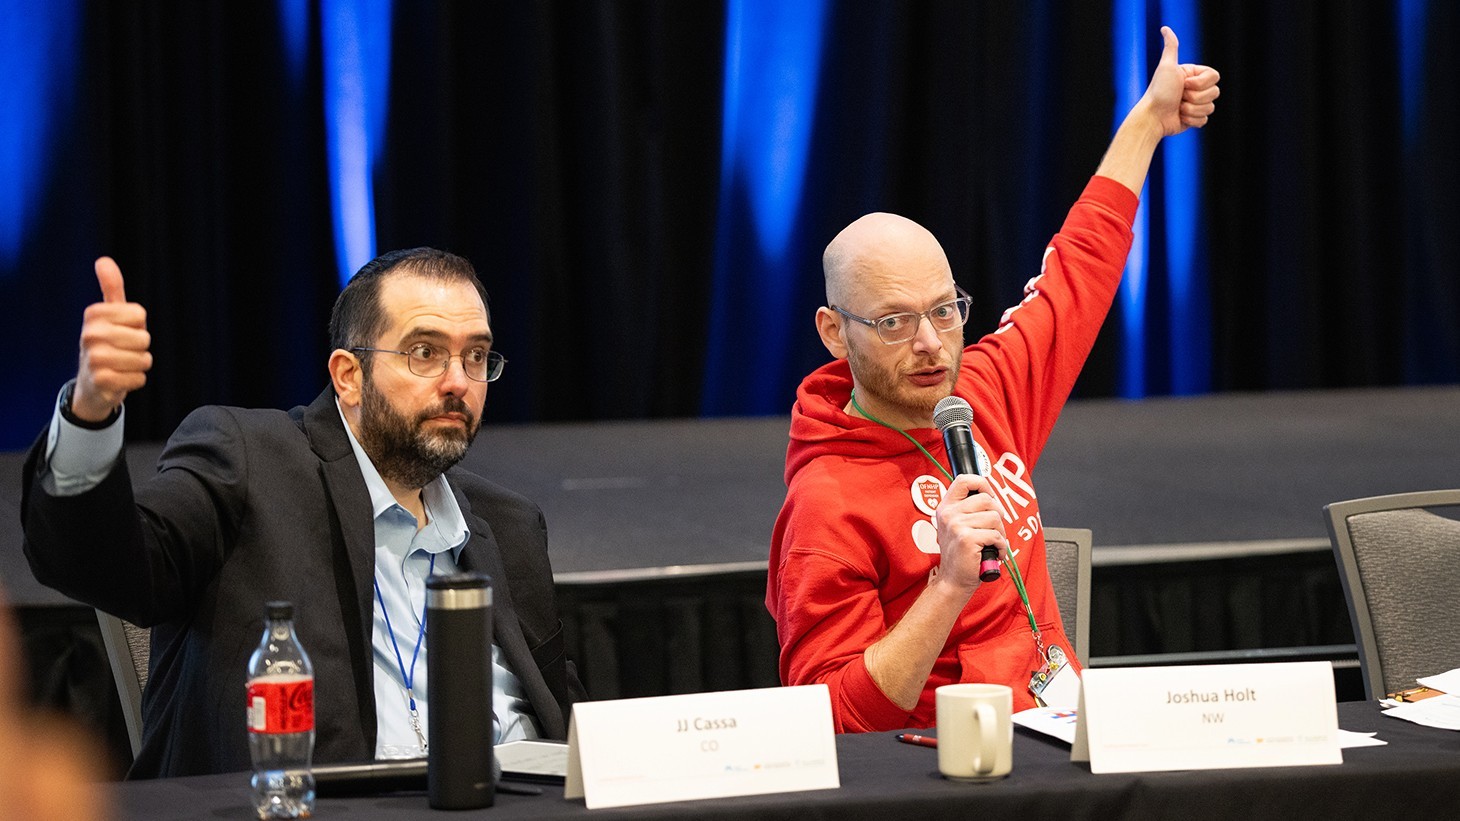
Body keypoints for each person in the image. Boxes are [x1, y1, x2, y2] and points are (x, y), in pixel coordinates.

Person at [767, 27, 1220, 732]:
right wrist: (947, 584)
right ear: (834, 331)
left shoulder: (983, 390)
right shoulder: (825, 506)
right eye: (894, 322)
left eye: (945, 311)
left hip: (1061, 736)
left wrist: (1147, 124)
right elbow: (831, 719)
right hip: (938, 769)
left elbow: (1080, 268)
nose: (930, 344)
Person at [21, 247, 586, 777]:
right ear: (348, 376)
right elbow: (100, 564)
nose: (459, 382)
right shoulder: (250, 462)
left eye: (476, 356)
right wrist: (90, 413)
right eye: (425, 353)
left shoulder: (507, 525)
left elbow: (567, 723)